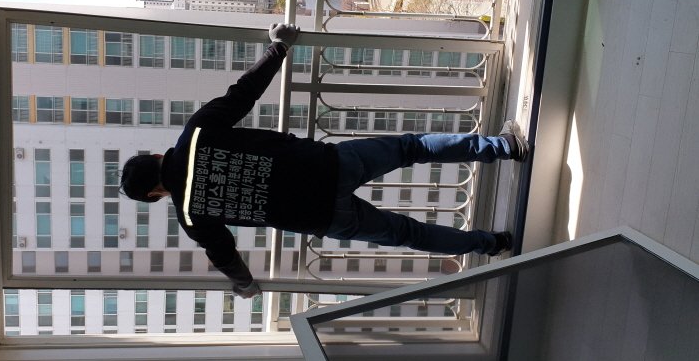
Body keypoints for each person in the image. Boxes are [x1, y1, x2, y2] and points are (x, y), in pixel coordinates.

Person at [120, 23, 529, 299]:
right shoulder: (196, 133)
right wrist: (279, 47)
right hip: (327, 164)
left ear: (156, 193)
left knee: (408, 233)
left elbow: (224, 253)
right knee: (412, 148)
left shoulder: (192, 215)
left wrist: (245, 285)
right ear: (156, 155)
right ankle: (504, 147)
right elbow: (243, 92)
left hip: (321, 216)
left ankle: (493, 243)